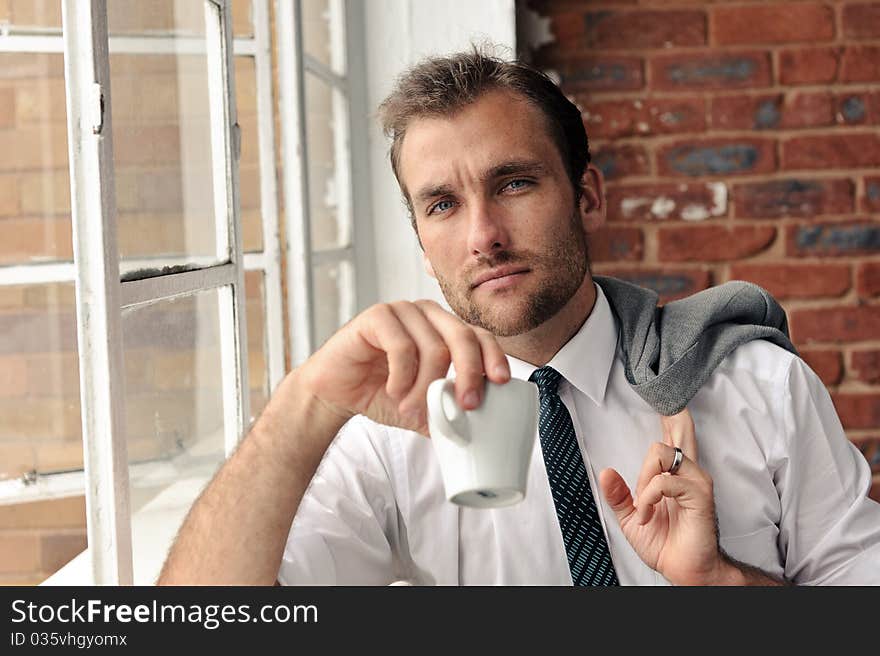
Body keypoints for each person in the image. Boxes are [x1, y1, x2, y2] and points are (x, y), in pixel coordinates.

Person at [158, 48, 880, 586]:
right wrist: (303, 404)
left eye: (514, 183)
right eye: (442, 204)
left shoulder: (757, 386)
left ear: (586, 195)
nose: (483, 236)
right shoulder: (385, 438)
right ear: (420, 237)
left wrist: (720, 585)